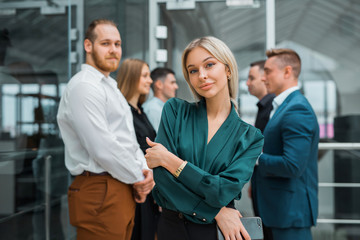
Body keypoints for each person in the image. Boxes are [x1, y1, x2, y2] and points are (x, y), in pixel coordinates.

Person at [144, 36, 264, 240]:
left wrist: (170, 161)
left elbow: (222, 192)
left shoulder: (250, 137)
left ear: (228, 70)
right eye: (193, 70)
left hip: (216, 233)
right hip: (174, 228)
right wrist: (215, 212)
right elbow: (163, 181)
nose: (202, 75)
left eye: (209, 65)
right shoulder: (175, 111)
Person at [57, 19, 154, 240]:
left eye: (118, 44)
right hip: (100, 187)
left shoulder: (110, 87)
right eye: (106, 43)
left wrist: (144, 171)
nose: (113, 50)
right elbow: (103, 147)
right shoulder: (84, 86)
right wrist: (138, 177)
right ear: (88, 46)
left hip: (120, 184)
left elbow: (127, 140)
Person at [251, 48, 319, 240]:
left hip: (290, 213)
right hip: (279, 211)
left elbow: (293, 165)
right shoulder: (284, 106)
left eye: (268, 71)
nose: (263, 78)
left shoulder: (297, 109)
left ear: (287, 72)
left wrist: (255, 158)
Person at [117, 58, 159, 240]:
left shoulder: (140, 111)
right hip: (136, 188)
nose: (150, 81)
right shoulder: (123, 111)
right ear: (132, 77)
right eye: (145, 76)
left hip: (148, 187)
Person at [142, 67, 178, 132]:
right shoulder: (153, 109)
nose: (176, 87)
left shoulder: (164, 108)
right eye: (172, 83)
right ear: (159, 84)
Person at [246, 60, 275, 133]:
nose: (247, 83)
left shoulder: (273, 106)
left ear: (264, 78)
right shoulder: (264, 105)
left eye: (252, 78)